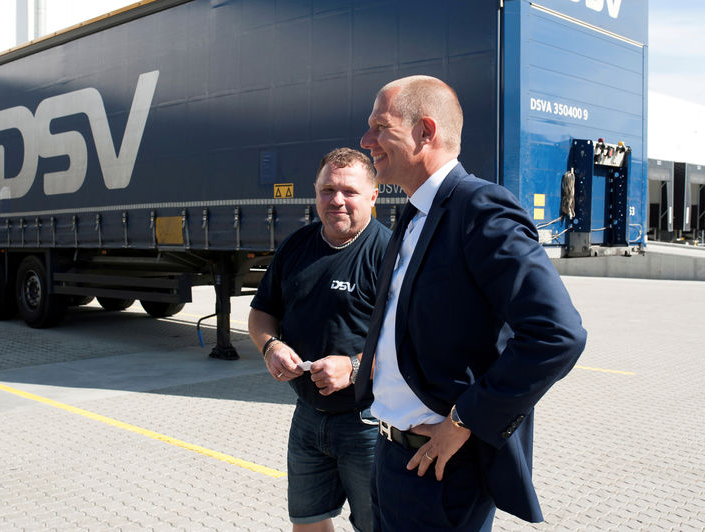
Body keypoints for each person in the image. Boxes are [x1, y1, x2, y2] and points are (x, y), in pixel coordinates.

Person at [355, 75, 587, 531]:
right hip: (389, 456)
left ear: (426, 131)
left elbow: (558, 335)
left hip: (440, 474)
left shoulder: (480, 207)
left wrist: (463, 422)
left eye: (380, 127)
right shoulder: (415, 211)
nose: (366, 141)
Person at [248, 147, 392, 532]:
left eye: (350, 191)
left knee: (378, 525)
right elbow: (261, 313)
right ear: (315, 192)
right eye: (327, 190)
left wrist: (356, 367)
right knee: (308, 524)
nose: (337, 200)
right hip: (308, 419)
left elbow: (411, 342)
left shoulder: (389, 255)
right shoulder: (297, 246)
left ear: (374, 197)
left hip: (368, 422)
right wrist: (270, 346)